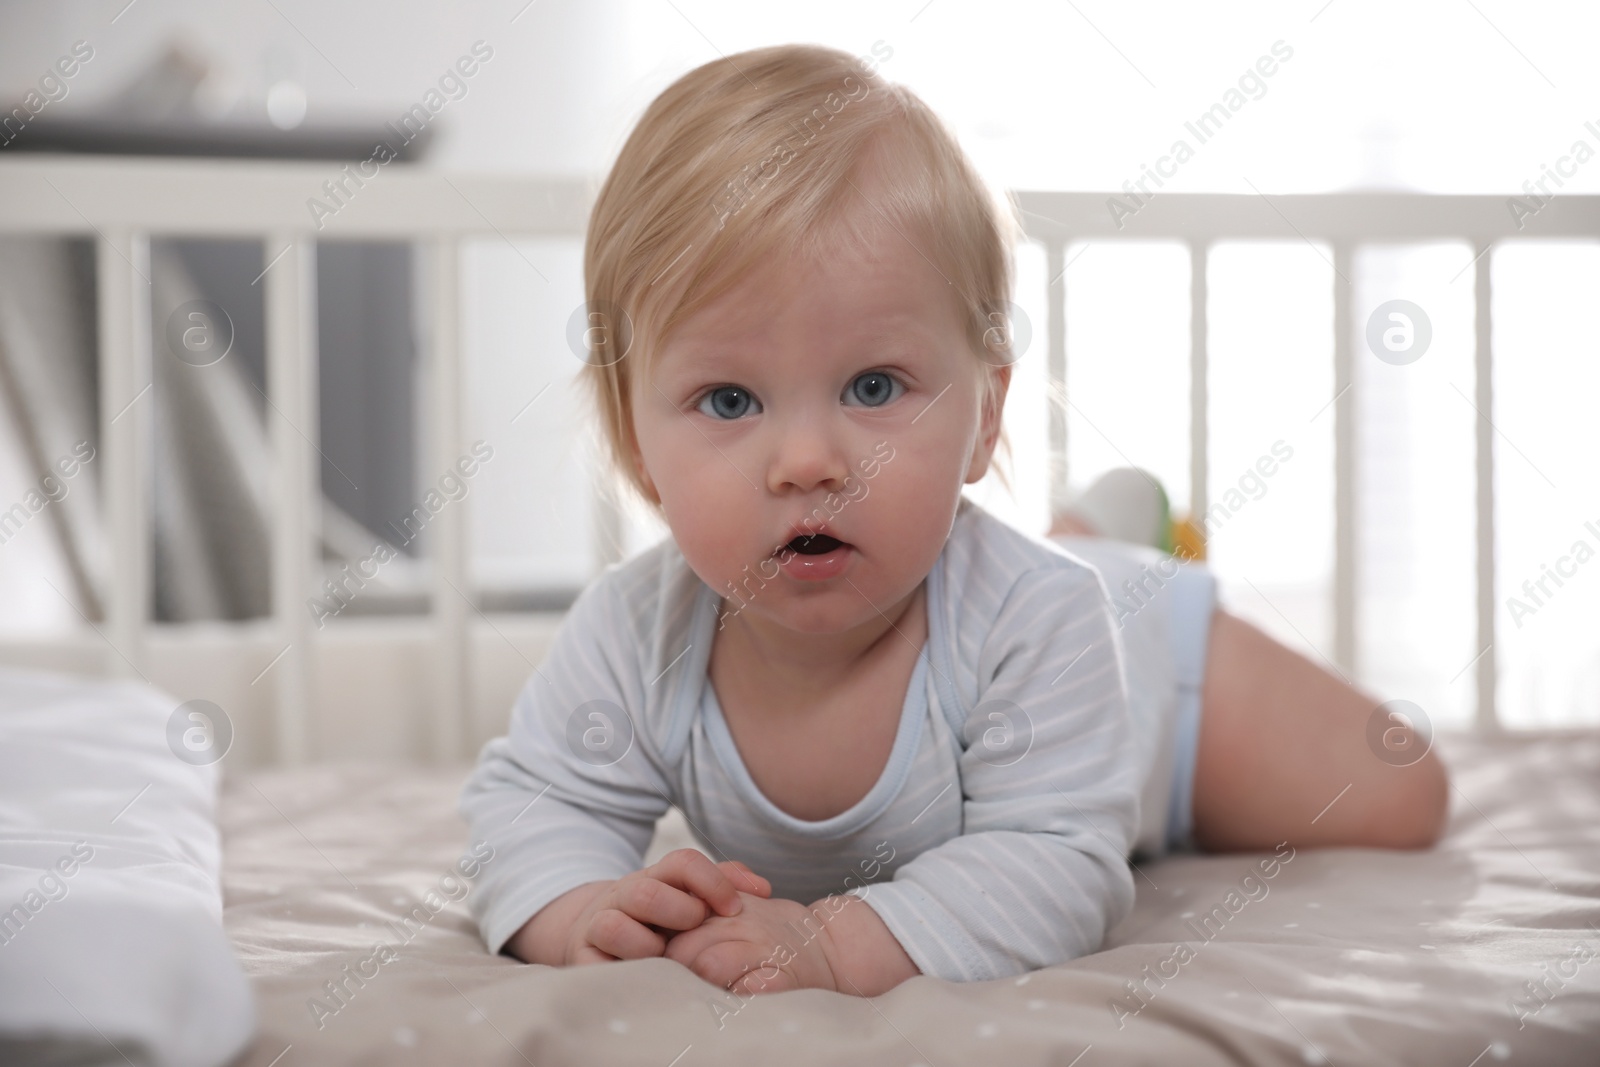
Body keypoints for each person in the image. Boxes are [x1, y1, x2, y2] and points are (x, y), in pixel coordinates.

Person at [457, 43, 1449, 1000]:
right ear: (635, 447)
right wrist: (577, 905)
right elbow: (535, 803)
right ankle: (1089, 516)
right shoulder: (637, 633)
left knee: (1403, 794)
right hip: (1067, 585)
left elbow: (1054, 860)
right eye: (728, 400)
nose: (807, 461)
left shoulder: (1039, 617)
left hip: (1153, 666)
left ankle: (1119, 537)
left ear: (983, 416)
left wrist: (841, 938)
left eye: (874, 384)